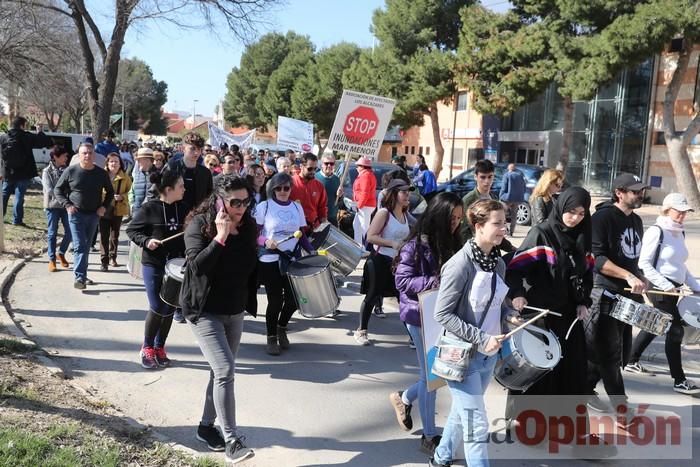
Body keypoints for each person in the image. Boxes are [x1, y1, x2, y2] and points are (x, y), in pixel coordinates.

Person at [506, 187, 616, 454]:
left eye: (580, 213)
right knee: (541, 376)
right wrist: (519, 295)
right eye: (570, 211)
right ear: (561, 206)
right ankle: (531, 427)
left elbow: (586, 275)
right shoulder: (541, 233)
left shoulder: (583, 238)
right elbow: (515, 269)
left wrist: (582, 302)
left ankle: (578, 436)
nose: (575, 218)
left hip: (568, 319)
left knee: (574, 374)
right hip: (540, 316)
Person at [429, 199, 518, 467]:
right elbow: (442, 314)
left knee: (463, 413)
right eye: (498, 223)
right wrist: (481, 338)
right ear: (478, 226)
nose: (505, 228)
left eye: (505, 222)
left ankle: (440, 458)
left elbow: (497, 304)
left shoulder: (497, 263)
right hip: (462, 356)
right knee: (477, 426)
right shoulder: (460, 265)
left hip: (488, 357)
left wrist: (508, 315)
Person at [181, 175, 258, 463]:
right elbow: (196, 268)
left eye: (245, 201)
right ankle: (232, 441)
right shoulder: (198, 225)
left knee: (218, 372)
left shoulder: (248, 225)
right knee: (225, 370)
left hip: (234, 310)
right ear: (219, 200)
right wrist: (220, 237)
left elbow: (248, 266)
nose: (240, 208)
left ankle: (204, 426)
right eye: (235, 202)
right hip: (204, 311)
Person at [391, 192, 464, 455]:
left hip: (444, 318)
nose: (455, 223)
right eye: (451, 218)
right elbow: (402, 283)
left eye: (459, 218)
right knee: (431, 377)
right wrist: (437, 281)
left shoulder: (454, 242)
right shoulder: (414, 246)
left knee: (437, 375)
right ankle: (429, 435)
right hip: (419, 317)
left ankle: (405, 397)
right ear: (438, 216)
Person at [584, 173, 649, 419]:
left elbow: (631, 260)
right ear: (619, 192)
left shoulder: (637, 221)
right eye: (634, 191)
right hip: (603, 292)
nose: (639, 194)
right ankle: (621, 408)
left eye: (641, 190)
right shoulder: (602, 218)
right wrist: (627, 276)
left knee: (610, 351)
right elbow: (597, 259)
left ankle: (583, 389)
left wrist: (640, 275)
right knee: (610, 352)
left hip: (627, 295)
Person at [625, 193, 700, 394]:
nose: (683, 215)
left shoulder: (680, 232)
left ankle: (631, 360)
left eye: (685, 212)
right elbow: (644, 264)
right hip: (658, 288)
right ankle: (679, 380)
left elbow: (680, 265)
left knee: (657, 323)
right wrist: (665, 285)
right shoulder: (656, 232)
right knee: (675, 330)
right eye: (679, 211)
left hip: (674, 288)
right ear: (667, 209)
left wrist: (695, 286)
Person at [127, 170, 186, 370]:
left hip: (176, 266)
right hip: (153, 264)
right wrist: (147, 240)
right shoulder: (149, 208)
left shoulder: (182, 208)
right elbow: (132, 230)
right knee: (157, 307)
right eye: (180, 186)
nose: (184, 189)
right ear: (168, 190)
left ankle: (160, 347)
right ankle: (147, 347)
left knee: (169, 306)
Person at [255, 172, 314, 355]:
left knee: (294, 299)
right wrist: (265, 241)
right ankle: (271, 337)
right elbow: (254, 234)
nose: (282, 191)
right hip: (270, 260)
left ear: (291, 189)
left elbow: (301, 233)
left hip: (291, 259)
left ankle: (282, 327)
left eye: (286, 188)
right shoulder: (264, 206)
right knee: (275, 300)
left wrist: (311, 251)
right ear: (272, 189)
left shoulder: (296, 208)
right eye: (278, 188)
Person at [354, 179, 412, 345]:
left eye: (408, 191)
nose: (407, 194)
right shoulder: (384, 213)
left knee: (403, 297)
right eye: (403, 191)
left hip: (397, 263)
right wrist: (392, 243)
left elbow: (406, 235)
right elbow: (370, 237)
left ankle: (412, 335)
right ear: (394, 194)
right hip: (379, 260)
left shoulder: (405, 214)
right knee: (372, 295)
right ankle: (361, 331)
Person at [54, 142, 114, 289]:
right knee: (80, 245)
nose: (87, 155)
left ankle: (83, 275)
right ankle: (79, 278)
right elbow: (58, 190)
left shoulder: (101, 173)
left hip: (94, 215)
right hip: (76, 214)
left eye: (90, 153)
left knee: (86, 246)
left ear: (94, 155)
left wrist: (103, 207)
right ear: (79, 155)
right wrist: (67, 205)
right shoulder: (71, 171)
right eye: (84, 153)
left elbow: (110, 193)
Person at [1, 117, 52, 226]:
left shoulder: (4, 137)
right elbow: (45, 142)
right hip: (24, 172)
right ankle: (17, 220)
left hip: (8, 172)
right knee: (19, 197)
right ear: (22, 125)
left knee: (4, 196)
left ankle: (1, 217)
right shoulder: (27, 137)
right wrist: (39, 131)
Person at [461, 160, 516, 254]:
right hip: (476, 253)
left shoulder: (494, 198)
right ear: (475, 177)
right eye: (483, 177)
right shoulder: (468, 200)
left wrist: (512, 249)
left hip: (494, 252)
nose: (487, 181)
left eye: (490, 177)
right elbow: (463, 232)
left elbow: (497, 230)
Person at [98, 153, 132, 271]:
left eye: (116, 161)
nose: (113, 164)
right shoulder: (101, 175)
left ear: (120, 164)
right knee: (103, 235)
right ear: (107, 163)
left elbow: (130, 193)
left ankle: (113, 257)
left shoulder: (125, 177)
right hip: (103, 209)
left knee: (114, 235)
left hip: (118, 209)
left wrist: (122, 196)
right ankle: (104, 260)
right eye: (111, 161)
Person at [42, 146, 72, 272]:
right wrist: (63, 197)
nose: (66, 158)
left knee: (70, 232)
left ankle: (61, 253)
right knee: (52, 233)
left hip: (65, 206)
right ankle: (52, 259)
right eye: (64, 156)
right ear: (55, 157)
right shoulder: (46, 171)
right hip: (52, 206)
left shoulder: (68, 170)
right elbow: (49, 189)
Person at [167, 132, 213, 213]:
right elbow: (156, 191)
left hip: (197, 217)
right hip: (174, 215)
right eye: (192, 148)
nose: (196, 153)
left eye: (199, 149)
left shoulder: (205, 172)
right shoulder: (172, 167)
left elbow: (209, 196)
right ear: (183, 148)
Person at [290, 153, 328, 230]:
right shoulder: (290, 183)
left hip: (313, 228)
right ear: (301, 166)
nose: (313, 172)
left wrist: (324, 225)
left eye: (315, 169)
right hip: (293, 229)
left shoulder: (319, 186)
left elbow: (322, 208)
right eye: (310, 169)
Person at [352, 156, 377, 245]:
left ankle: (364, 247)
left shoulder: (365, 176)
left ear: (363, 166)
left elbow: (364, 193)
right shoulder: (366, 174)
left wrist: (358, 205)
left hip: (365, 205)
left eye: (358, 165)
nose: (357, 167)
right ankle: (359, 246)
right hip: (365, 205)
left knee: (363, 228)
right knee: (357, 225)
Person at [499, 163, 526, 236]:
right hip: (517, 198)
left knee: (502, 214)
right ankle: (511, 232)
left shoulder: (507, 175)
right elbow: (524, 187)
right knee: (514, 216)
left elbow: (504, 187)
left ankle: (505, 230)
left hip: (507, 198)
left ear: (508, 168)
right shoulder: (520, 176)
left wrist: (501, 196)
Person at [315, 155, 342, 227]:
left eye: (332, 163)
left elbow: (339, 201)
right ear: (321, 165)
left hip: (332, 217)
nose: (329, 166)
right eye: (326, 163)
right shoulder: (314, 178)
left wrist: (340, 196)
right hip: (317, 217)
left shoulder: (337, 179)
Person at [129, 148, 156, 217]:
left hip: (152, 212)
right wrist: (132, 204)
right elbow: (131, 190)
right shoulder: (136, 174)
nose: (138, 162)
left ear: (148, 160)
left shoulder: (156, 174)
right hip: (137, 211)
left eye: (140, 160)